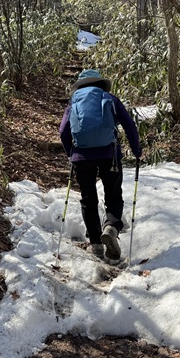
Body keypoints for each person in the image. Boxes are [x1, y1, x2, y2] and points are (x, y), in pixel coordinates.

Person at [59, 69, 142, 260]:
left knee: (88, 199)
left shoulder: (74, 102)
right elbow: (129, 125)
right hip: (109, 154)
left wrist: (71, 153)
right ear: (100, 83)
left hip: (82, 157)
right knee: (113, 194)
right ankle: (111, 226)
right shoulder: (110, 98)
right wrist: (137, 151)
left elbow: (63, 131)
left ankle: (96, 244)